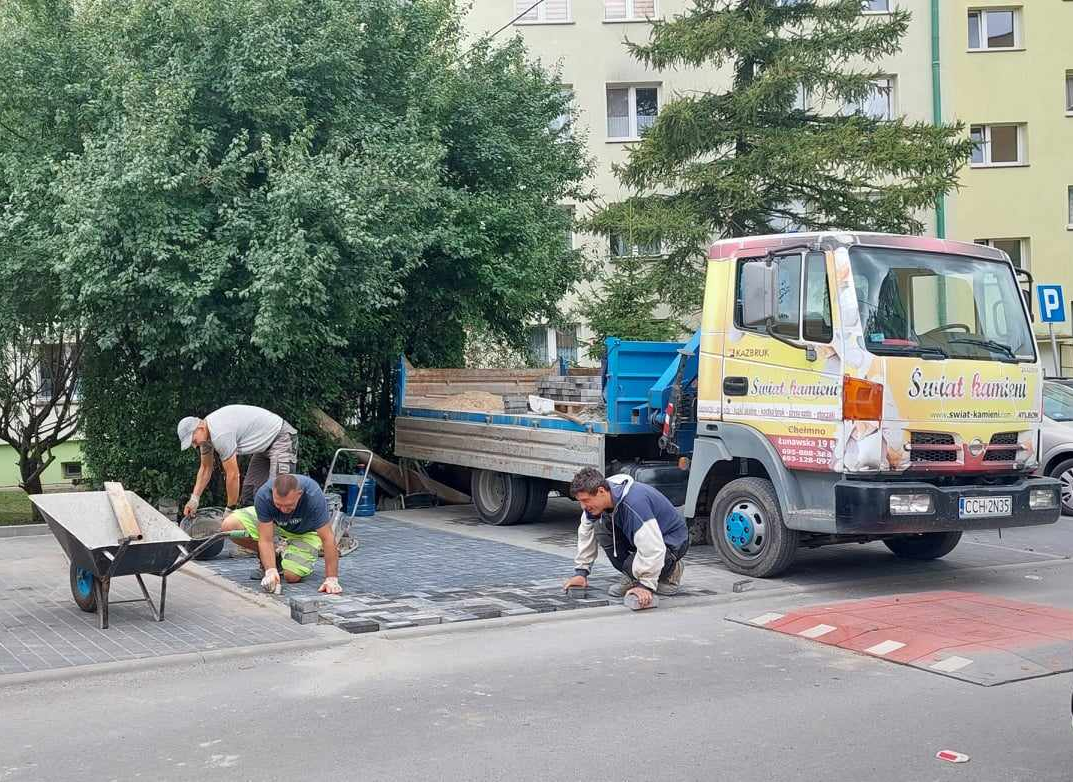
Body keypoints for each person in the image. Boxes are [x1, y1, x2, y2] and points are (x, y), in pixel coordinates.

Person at [563, 467, 689, 609]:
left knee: (639, 566)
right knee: (599, 526)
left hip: (671, 543)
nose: (583, 506)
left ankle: (671, 572)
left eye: (585, 500)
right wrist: (581, 573)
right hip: (645, 539)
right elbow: (586, 532)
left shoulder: (635, 503)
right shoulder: (599, 499)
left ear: (601, 491)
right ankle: (634, 575)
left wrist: (645, 585)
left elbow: (653, 546)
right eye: (580, 501)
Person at [220, 473, 342, 594]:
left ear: (299, 494)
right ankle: (275, 558)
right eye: (278, 504)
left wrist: (331, 579)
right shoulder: (264, 495)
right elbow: (266, 539)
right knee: (230, 525)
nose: (283, 510)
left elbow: (328, 539)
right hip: (276, 525)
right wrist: (270, 570)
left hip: (305, 532)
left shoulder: (313, 495)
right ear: (273, 492)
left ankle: (287, 553)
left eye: (289, 506)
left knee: (291, 576)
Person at [177, 405, 298, 517]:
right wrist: (194, 499)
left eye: (193, 440)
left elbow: (233, 475)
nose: (194, 445)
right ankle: (255, 537)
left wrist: (230, 509)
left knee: (280, 494)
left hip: (280, 437)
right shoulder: (205, 438)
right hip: (263, 447)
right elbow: (205, 468)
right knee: (249, 496)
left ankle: (282, 536)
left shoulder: (220, 434)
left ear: (200, 427)